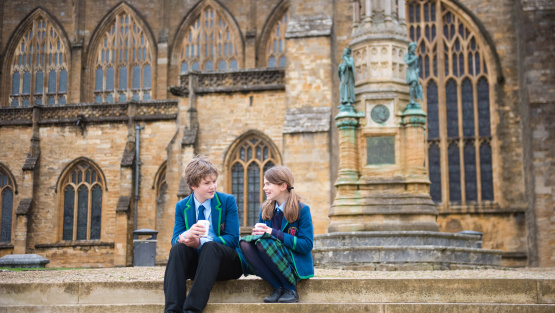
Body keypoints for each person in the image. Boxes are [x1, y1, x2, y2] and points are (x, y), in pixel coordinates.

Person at [164, 156, 243, 313]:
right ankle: (172, 310)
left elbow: (233, 239)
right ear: (193, 185)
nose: (213, 186)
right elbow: (175, 240)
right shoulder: (182, 206)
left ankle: (191, 309)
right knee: (178, 249)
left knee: (210, 247)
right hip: (198, 266)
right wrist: (187, 235)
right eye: (207, 183)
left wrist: (202, 242)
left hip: (225, 264)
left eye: (214, 181)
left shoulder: (227, 201)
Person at [237, 166, 314, 303]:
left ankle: (290, 288)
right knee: (245, 243)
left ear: (283, 186)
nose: (264, 188)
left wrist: (272, 232)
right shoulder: (265, 209)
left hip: (294, 262)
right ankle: (277, 287)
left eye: (268, 184)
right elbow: (262, 241)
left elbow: (306, 245)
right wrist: (257, 234)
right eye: (264, 184)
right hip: (271, 259)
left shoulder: (302, 210)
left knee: (265, 242)